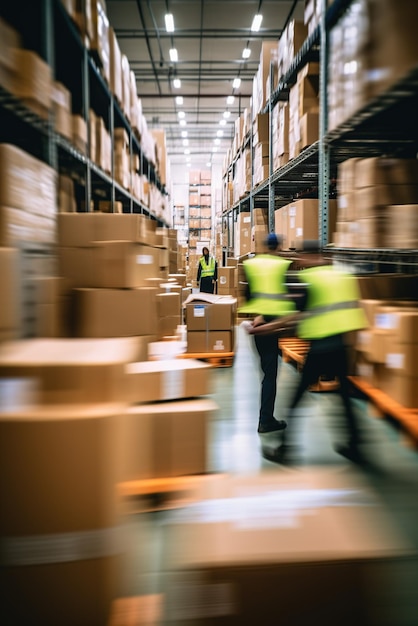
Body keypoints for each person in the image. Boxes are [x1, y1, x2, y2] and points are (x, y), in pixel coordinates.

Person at [259, 262, 368, 465]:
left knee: (296, 397)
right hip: (340, 345)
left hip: (320, 347)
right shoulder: (339, 275)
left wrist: (268, 326)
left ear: (307, 256)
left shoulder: (310, 279)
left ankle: (285, 449)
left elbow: (296, 314)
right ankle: (356, 445)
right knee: (343, 398)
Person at [240, 233, 297, 434]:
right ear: (278, 246)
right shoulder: (281, 265)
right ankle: (265, 420)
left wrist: (257, 315)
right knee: (271, 375)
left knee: (267, 372)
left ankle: (266, 417)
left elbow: (246, 295)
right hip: (271, 327)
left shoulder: (253, 264)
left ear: (265, 246)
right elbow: (287, 296)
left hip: (257, 325)